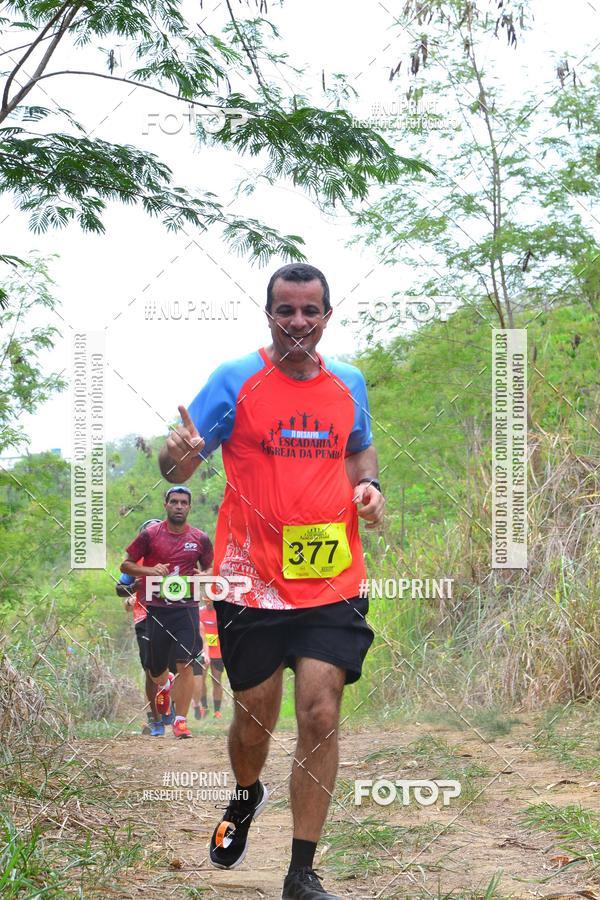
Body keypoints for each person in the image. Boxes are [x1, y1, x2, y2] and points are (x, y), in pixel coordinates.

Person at [158, 263, 384, 899]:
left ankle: (301, 871)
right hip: (250, 579)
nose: (298, 322)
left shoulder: (349, 383)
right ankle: (246, 792)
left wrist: (368, 486)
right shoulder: (236, 379)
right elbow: (180, 460)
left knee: (320, 711)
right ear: (269, 314)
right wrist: (176, 448)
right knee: (255, 716)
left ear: (326, 316)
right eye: (286, 310)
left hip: (331, 575)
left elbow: (358, 449)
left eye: (310, 311)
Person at [120, 487, 214, 739]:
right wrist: (150, 571)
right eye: (174, 502)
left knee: (185, 663)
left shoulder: (200, 538)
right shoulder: (150, 535)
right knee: (154, 668)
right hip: (157, 610)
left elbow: (209, 568)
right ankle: (164, 686)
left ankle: (181, 722)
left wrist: (203, 575)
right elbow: (126, 564)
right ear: (166, 505)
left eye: (184, 502)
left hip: (186, 608)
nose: (179, 506)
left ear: (190, 507)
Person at [116, 517, 176, 737]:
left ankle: (169, 708)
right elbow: (119, 588)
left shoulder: (175, 557)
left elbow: (190, 585)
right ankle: (156, 721)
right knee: (150, 670)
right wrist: (134, 588)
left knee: (172, 667)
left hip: (172, 616)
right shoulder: (136, 561)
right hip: (143, 617)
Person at [193, 595, 224, 720]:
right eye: (206, 601)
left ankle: (217, 711)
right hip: (204, 651)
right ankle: (204, 706)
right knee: (201, 679)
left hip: (218, 652)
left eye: (210, 602)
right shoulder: (200, 612)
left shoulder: (222, 613)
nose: (208, 604)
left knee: (217, 680)